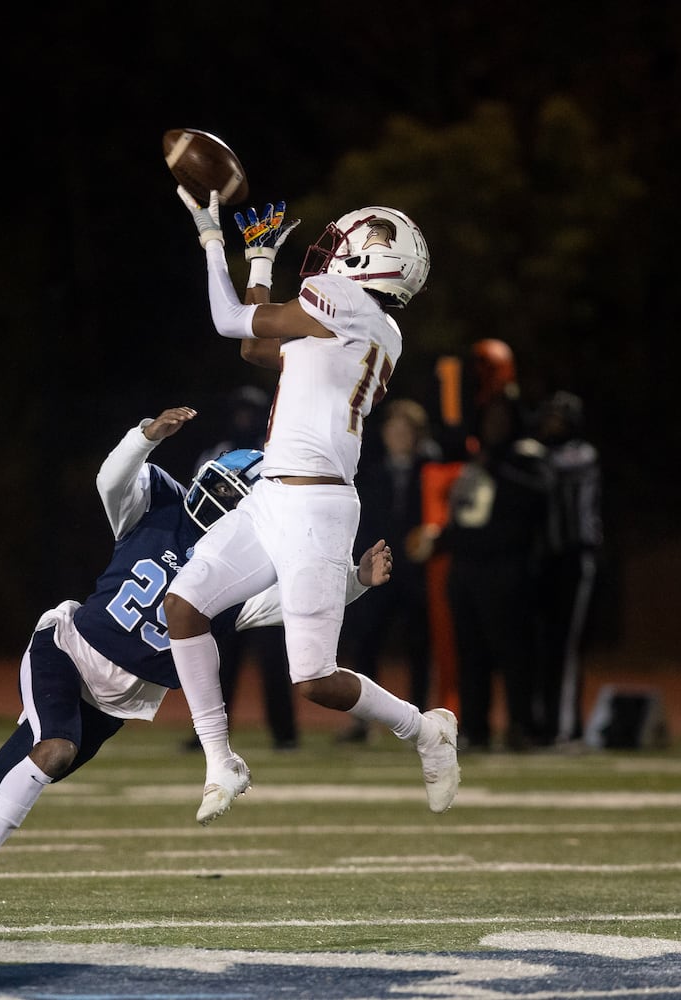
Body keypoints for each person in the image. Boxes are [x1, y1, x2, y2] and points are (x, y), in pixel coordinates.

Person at [0, 406, 393, 925]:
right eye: (220, 486)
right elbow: (111, 481)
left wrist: (356, 581)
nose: (219, 499)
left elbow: (296, 604)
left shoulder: (243, 579)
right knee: (55, 750)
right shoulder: (158, 504)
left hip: (116, 702)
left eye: (235, 497)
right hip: (67, 650)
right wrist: (145, 436)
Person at [163, 187, 460, 825]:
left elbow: (226, 322)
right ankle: (220, 759)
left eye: (352, 243)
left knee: (315, 680)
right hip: (273, 492)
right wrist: (263, 264)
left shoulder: (346, 303)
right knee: (183, 607)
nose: (335, 251)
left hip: (318, 507)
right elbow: (253, 345)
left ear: (373, 263)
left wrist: (211, 237)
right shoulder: (367, 328)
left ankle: (425, 729)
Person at [409, 390, 553, 751]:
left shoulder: (525, 459)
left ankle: (522, 725)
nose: (495, 425)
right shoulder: (476, 459)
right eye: (490, 417)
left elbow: (535, 502)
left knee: (514, 653)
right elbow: (465, 517)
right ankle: (476, 727)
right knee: (470, 653)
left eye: (502, 418)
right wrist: (440, 540)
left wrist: (499, 468)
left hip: (506, 568)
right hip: (467, 569)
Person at [183, 385, 299, 753]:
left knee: (272, 657)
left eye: (252, 411)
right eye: (241, 411)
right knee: (218, 658)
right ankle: (210, 735)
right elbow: (195, 506)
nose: (245, 418)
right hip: (224, 565)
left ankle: (285, 733)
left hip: (265, 567)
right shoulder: (215, 455)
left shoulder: (276, 455)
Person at [335, 397, 443, 743]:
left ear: (417, 435)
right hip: (378, 569)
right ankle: (363, 722)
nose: (397, 436)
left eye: (405, 430)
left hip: (416, 572)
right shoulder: (371, 471)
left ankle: (418, 719)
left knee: (420, 646)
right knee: (366, 641)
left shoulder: (431, 469)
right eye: (393, 429)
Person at [532, 390, 602, 746]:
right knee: (542, 645)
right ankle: (544, 723)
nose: (550, 425)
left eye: (558, 419)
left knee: (566, 646)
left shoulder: (582, 454)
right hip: (545, 559)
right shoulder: (540, 454)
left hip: (575, 556)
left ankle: (567, 728)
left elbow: (551, 467)